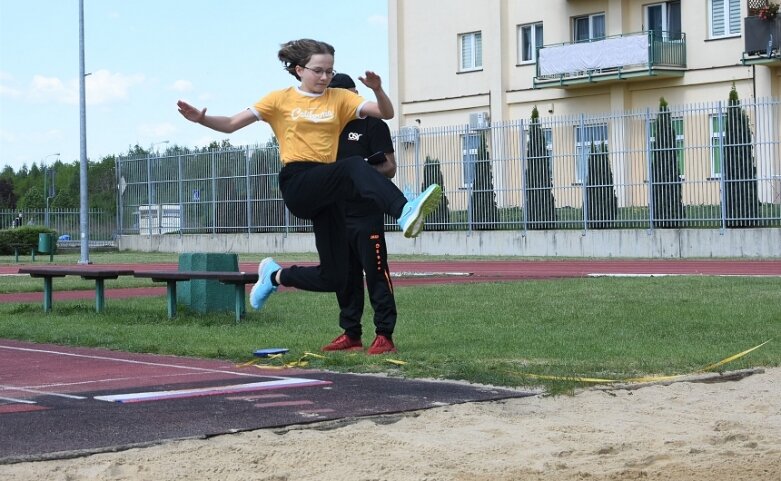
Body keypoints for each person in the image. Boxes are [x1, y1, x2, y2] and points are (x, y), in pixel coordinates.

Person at [177, 39, 441, 330]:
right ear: (299, 69)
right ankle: (403, 210)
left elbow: (386, 113)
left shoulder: (339, 98)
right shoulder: (279, 99)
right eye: (318, 71)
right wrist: (202, 119)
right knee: (354, 165)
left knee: (335, 277)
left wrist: (377, 88)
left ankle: (274, 276)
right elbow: (229, 123)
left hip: (329, 192)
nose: (325, 77)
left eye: (330, 71)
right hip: (299, 181)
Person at [322, 73, 398, 355]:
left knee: (376, 272)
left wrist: (360, 170)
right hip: (337, 214)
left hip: (366, 213)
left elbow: (389, 167)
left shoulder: (373, 124)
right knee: (345, 275)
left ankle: (385, 334)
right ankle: (351, 333)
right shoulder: (327, 129)